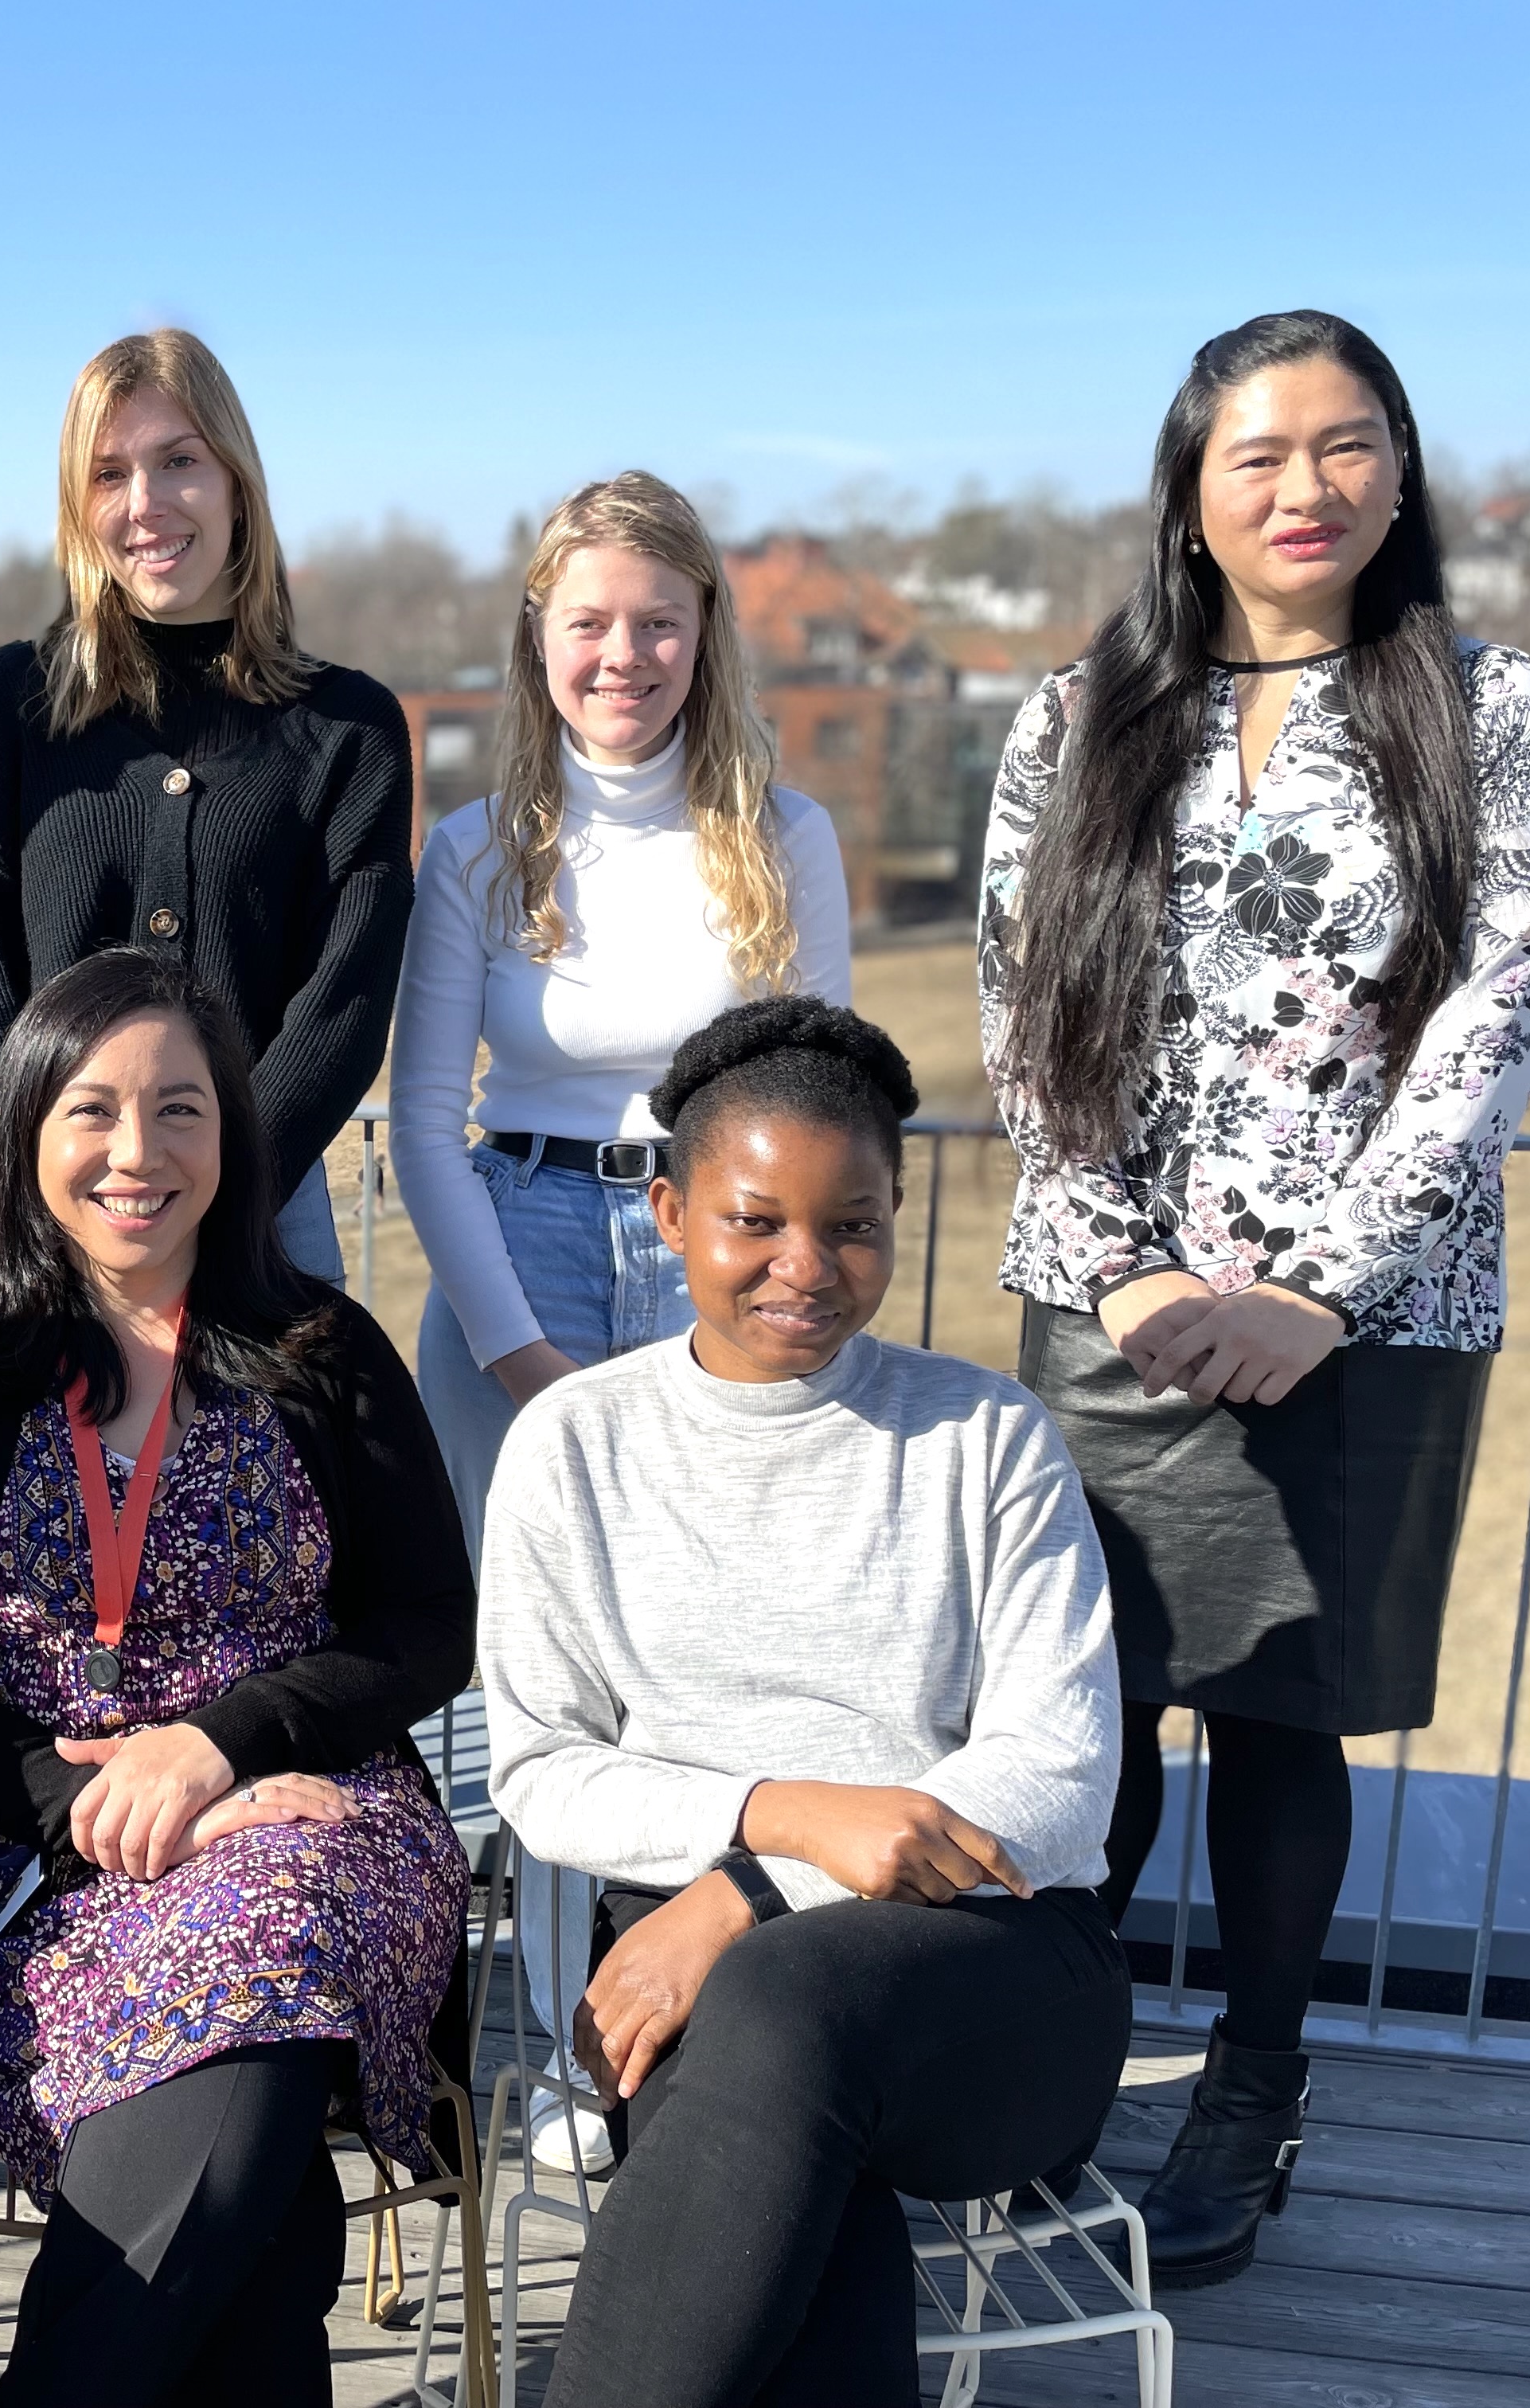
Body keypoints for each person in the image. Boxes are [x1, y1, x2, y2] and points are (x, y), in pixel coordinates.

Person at [980, 309, 1530, 2286]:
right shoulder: (1078, 717)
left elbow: (1492, 1023)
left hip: (1369, 1317)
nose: (1302, 487)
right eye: (1259, 454)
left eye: (1346, 446)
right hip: (1113, 1303)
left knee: (1280, 1719)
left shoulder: (1489, 710)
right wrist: (1137, 1271)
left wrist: (1313, 1290)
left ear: (1401, 473)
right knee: (1096, 1708)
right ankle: (1050, 2059)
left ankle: (1255, 2084)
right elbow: (1023, 1016)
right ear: (1190, 489)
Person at [0, 948, 474, 2406]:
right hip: (48, 1866)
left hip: (316, 1819)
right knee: (260, 2234)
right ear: (25, 1137)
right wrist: (84, 1800)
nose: (138, 1153)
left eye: (179, 1108)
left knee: (270, 1932)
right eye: (92, 1111)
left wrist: (218, 1745)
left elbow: (429, 1624)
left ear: (232, 1134)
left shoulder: (327, 1351)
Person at [480, 996, 1128, 2408]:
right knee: (800, 2198)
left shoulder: (985, 1435)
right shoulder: (573, 1443)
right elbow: (537, 1765)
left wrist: (741, 1891)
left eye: (854, 1223)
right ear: (668, 1211)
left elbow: (1063, 1774)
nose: (807, 1267)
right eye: (755, 1219)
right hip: (700, 1983)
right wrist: (788, 1823)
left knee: (771, 1995)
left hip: (995, 1965)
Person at [391, 468, 851, 2173]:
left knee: (707, 1659)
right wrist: (520, 1352)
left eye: (659, 619)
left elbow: (820, 1093)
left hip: (715, 1252)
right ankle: (559, 2046)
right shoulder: (476, 845)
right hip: (517, 1254)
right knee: (539, 1676)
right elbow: (426, 1112)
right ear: (540, 632)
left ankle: (700, 2039)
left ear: (704, 632)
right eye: (589, 619)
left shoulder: (781, 835)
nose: (624, 652)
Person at [0, 328, 415, 1292]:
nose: (145, 504)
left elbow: (344, 1005)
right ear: (78, 506)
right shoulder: (13, 703)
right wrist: (35, 1178)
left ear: (236, 479)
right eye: (109, 474)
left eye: (178, 461)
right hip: (34, 1224)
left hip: (260, 1225)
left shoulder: (350, 729)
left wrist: (213, 1201)